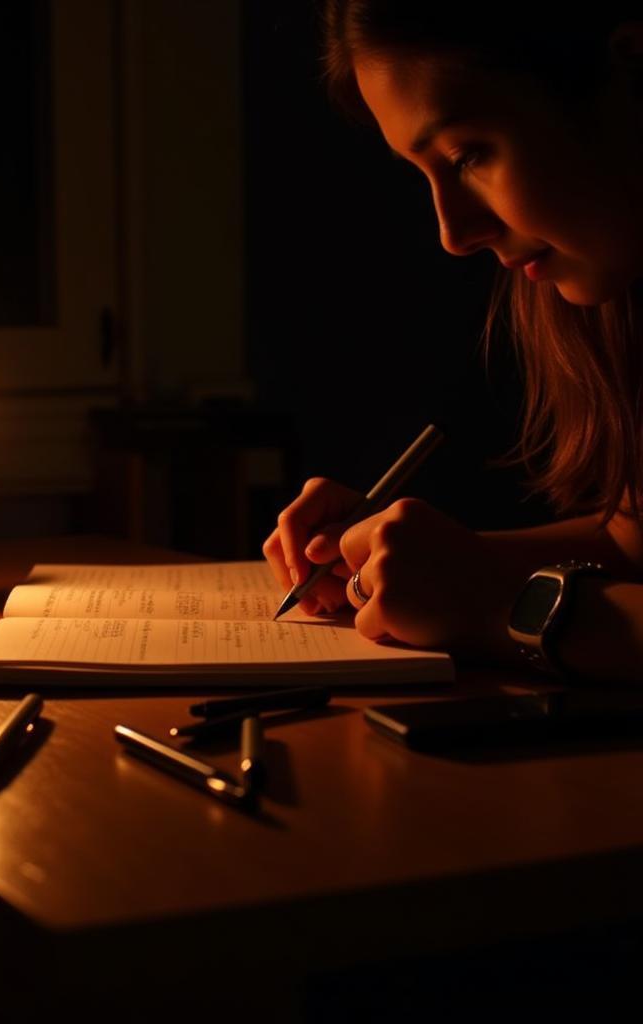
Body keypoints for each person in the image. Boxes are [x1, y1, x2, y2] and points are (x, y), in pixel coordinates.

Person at [263, 2, 643, 682]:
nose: (453, 233)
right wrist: (409, 566)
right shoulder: (618, 301)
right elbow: (634, 546)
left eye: (468, 154)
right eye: (423, 172)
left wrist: (503, 606)